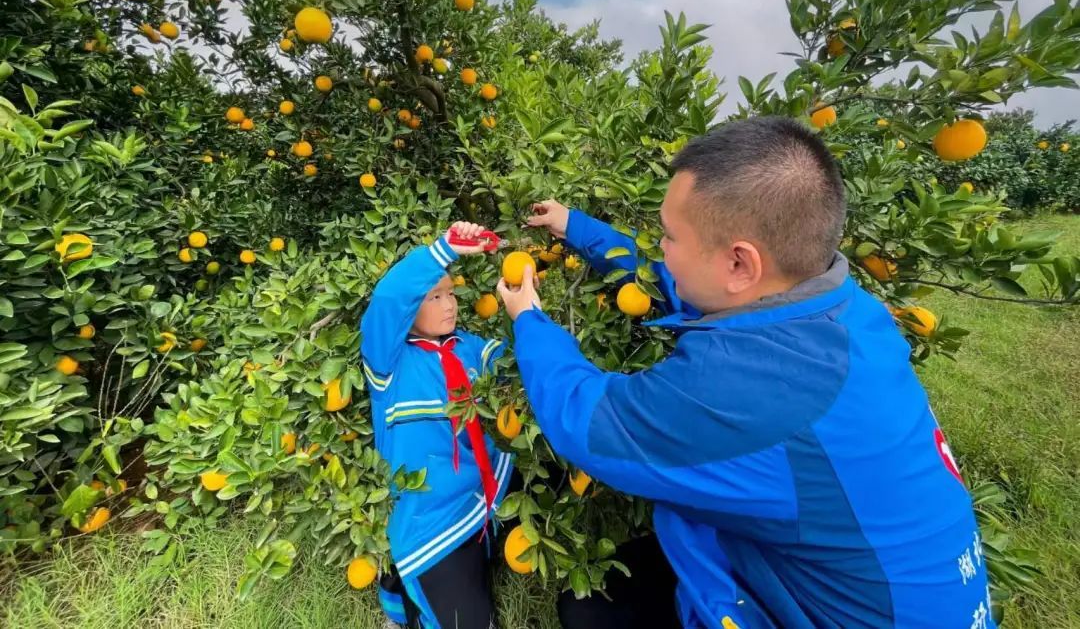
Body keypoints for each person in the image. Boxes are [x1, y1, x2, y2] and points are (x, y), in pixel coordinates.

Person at [497, 117, 995, 629]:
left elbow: (585, 420)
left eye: (669, 235)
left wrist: (530, 320)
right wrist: (572, 226)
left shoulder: (746, 392)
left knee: (593, 614)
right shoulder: (846, 310)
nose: (661, 247)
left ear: (740, 264)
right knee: (594, 605)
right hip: (829, 578)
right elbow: (668, 279)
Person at [359, 222, 516, 629]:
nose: (450, 305)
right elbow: (388, 299)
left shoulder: (471, 348)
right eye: (435, 296)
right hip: (429, 521)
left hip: (484, 497)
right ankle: (399, 591)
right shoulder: (388, 366)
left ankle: (405, 585)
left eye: (451, 294)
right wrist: (443, 249)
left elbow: (516, 365)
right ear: (411, 307)